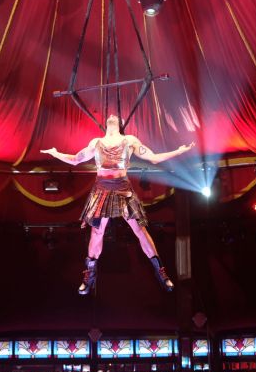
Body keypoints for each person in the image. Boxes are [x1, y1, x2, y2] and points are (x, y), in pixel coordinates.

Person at [41, 115, 195, 295]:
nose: (112, 115)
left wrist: (178, 152)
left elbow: (153, 157)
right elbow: (76, 159)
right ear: (106, 123)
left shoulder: (129, 140)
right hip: (101, 190)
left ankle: (160, 271)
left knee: (140, 230)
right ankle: (89, 274)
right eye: (110, 115)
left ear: (120, 124)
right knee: (97, 232)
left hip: (122, 188)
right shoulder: (96, 142)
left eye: (116, 116)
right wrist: (56, 153)